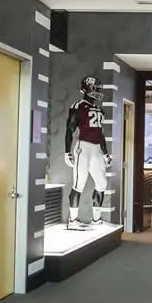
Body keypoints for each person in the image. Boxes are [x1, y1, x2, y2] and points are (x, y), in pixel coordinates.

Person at [63, 75, 112, 229]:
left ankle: (96, 219)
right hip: (82, 147)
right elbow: (70, 130)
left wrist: (105, 153)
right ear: (87, 88)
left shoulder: (99, 109)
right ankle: (73, 220)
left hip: (96, 148)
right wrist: (67, 151)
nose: (97, 91)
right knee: (79, 183)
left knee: (102, 183)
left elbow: (100, 133)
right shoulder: (78, 106)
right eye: (95, 88)